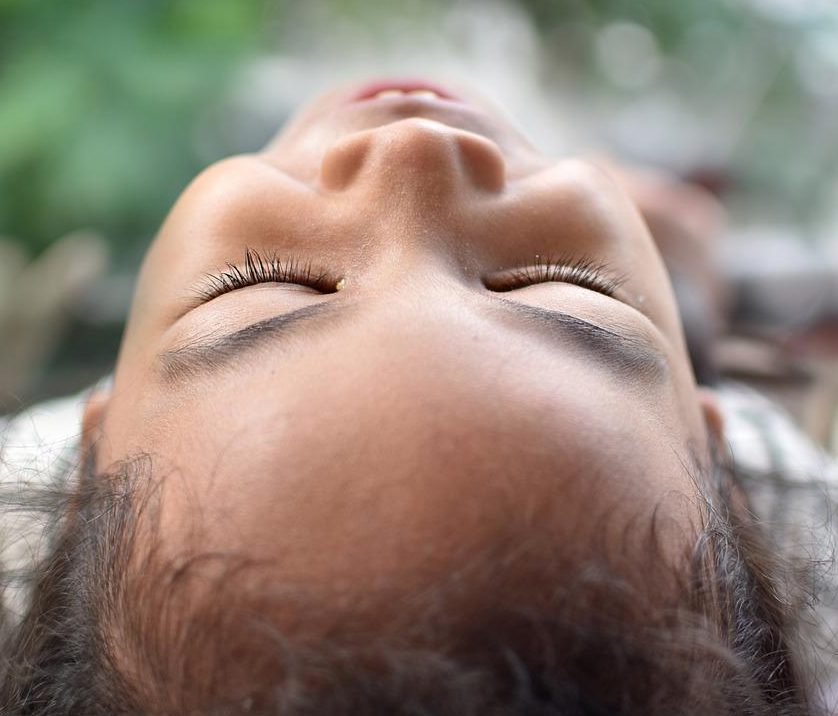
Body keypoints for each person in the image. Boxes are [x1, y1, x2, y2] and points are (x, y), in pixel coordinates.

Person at [0, 77, 833, 715]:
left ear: (85, 464)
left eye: (265, 283)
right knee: (673, 237)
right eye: (563, 285)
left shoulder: (35, 480)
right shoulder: (785, 485)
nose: (414, 152)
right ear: (719, 448)